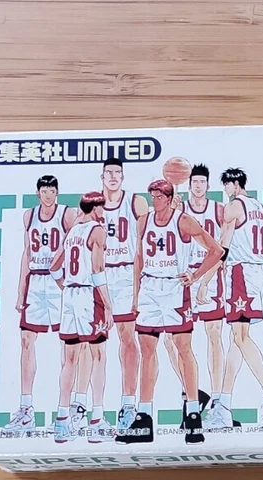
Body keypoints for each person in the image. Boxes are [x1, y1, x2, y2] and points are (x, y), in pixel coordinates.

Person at [117, 179, 222, 445]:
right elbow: (139, 258)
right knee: (147, 349)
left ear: (169, 197)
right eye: (152, 196)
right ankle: (144, 416)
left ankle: (193, 413)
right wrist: (136, 295)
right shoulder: (144, 222)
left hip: (175, 289)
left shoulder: (183, 221)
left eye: (158, 197)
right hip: (150, 288)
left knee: (183, 348)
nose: (154, 201)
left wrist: (195, 276)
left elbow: (216, 250)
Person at [213, 167, 263, 428]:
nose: (225, 190)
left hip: (240, 273)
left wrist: (205, 280)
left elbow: (222, 247)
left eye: (226, 185)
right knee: (237, 339)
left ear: (235, 184)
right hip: (257, 272)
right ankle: (223, 406)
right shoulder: (259, 207)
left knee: (240, 337)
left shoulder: (234, 207)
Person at [4, 175, 75, 434]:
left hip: (59, 283)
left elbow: (77, 244)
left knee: (68, 345)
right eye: (44, 190)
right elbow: (27, 253)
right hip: (35, 281)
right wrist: (20, 291)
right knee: (26, 340)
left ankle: (66, 411)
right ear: (38, 193)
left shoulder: (67, 214)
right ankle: (26, 409)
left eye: (52, 190)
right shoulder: (29, 216)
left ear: (57, 193)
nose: (48, 194)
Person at [49, 192, 112, 445]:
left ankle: (62, 420)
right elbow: (97, 270)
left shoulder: (73, 231)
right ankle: (96, 421)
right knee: (99, 356)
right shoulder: (97, 230)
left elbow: (54, 266)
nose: (104, 211)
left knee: (70, 359)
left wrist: (65, 286)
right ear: (95, 208)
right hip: (88, 295)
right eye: (102, 207)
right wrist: (108, 306)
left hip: (70, 297)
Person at [182, 163, 234, 430]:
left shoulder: (219, 210)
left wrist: (204, 280)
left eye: (202, 182)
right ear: (189, 184)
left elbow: (223, 249)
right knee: (175, 341)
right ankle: (192, 393)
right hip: (184, 277)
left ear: (208, 185)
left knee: (214, 336)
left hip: (210, 277)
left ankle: (216, 399)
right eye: (195, 181)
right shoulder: (180, 210)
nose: (198, 185)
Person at [100, 157, 149, 435]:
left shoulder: (136, 202)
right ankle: (88, 408)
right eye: (109, 173)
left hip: (127, 274)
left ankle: (128, 404)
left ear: (123, 176)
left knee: (128, 339)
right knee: (90, 344)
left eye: (117, 172)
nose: (113, 177)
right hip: (100, 276)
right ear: (102, 177)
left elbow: (147, 239)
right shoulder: (92, 205)